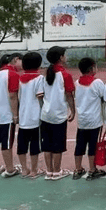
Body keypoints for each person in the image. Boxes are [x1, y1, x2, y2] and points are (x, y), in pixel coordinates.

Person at [40, 46, 75, 181]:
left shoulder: (47, 73)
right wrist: (73, 110)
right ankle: (57, 171)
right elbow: (69, 94)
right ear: (61, 57)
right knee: (58, 145)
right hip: (59, 114)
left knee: (47, 144)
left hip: (46, 114)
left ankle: (49, 171)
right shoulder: (65, 75)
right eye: (64, 55)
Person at [0, 53, 22, 178]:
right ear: (16, 60)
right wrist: (15, 115)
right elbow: (13, 96)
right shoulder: (12, 74)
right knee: (6, 142)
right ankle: (10, 169)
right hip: (6, 113)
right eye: (21, 61)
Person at [73, 57, 106, 181]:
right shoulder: (97, 83)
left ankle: (78, 169)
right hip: (94, 120)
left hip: (82, 120)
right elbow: (105, 97)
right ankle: (92, 169)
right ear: (92, 68)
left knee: (80, 145)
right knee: (92, 146)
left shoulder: (77, 83)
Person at [17, 51, 45, 179]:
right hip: (35, 117)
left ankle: (24, 169)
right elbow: (40, 97)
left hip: (23, 116)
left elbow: (18, 97)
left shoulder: (20, 79)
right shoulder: (39, 79)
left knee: (22, 145)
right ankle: (34, 170)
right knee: (35, 145)